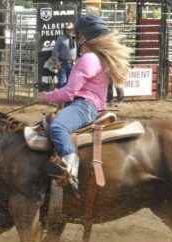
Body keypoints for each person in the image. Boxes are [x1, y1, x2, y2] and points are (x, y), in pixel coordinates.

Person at [38, 15, 130, 189]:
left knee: (58, 127)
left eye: (78, 35)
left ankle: (70, 164)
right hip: (92, 106)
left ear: (84, 37)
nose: (76, 38)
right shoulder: (98, 58)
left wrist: (47, 97)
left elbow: (69, 92)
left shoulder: (88, 59)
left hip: (84, 106)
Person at [52, 23, 77, 88]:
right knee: (62, 81)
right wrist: (57, 62)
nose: (70, 31)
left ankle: (68, 97)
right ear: (65, 30)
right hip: (63, 63)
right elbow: (55, 50)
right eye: (68, 29)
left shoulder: (75, 38)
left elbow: (79, 49)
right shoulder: (61, 38)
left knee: (71, 81)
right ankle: (61, 97)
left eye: (71, 29)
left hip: (73, 63)